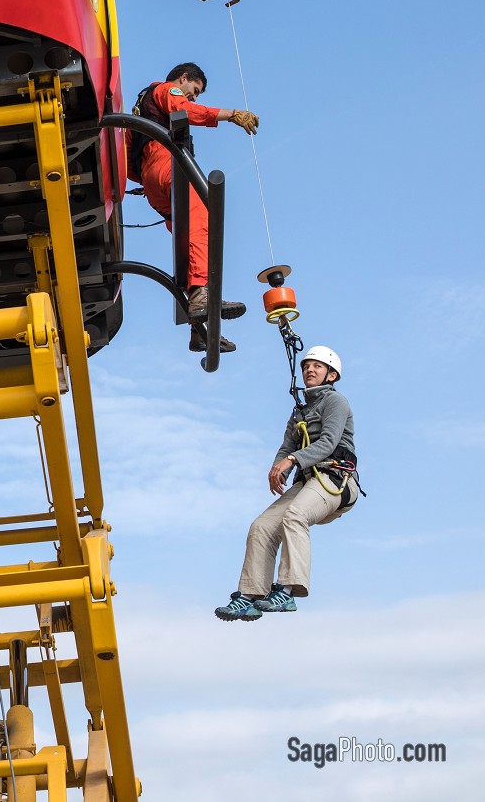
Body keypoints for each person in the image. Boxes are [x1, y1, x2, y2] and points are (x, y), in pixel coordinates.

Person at [215, 346, 358, 621]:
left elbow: (328, 443)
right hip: (308, 481)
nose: (310, 370)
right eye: (307, 366)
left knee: (295, 515)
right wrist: (277, 467)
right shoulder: (299, 412)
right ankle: (250, 595)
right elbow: (286, 447)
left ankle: (288, 590)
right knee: (262, 526)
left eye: (317, 366)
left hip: (336, 479)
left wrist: (291, 460)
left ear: (331, 375)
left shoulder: (336, 402)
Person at [129, 63, 259, 352]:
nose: (194, 97)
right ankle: (201, 294)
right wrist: (231, 115)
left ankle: (199, 328)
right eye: (195, 90)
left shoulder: (141, 109)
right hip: (166, 165)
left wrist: (147, 182)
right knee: (203, 215)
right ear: (184, 78)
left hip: (153, 183)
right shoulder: (166, 90)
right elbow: (183, 111)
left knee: (190, 242)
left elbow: (128, 155)